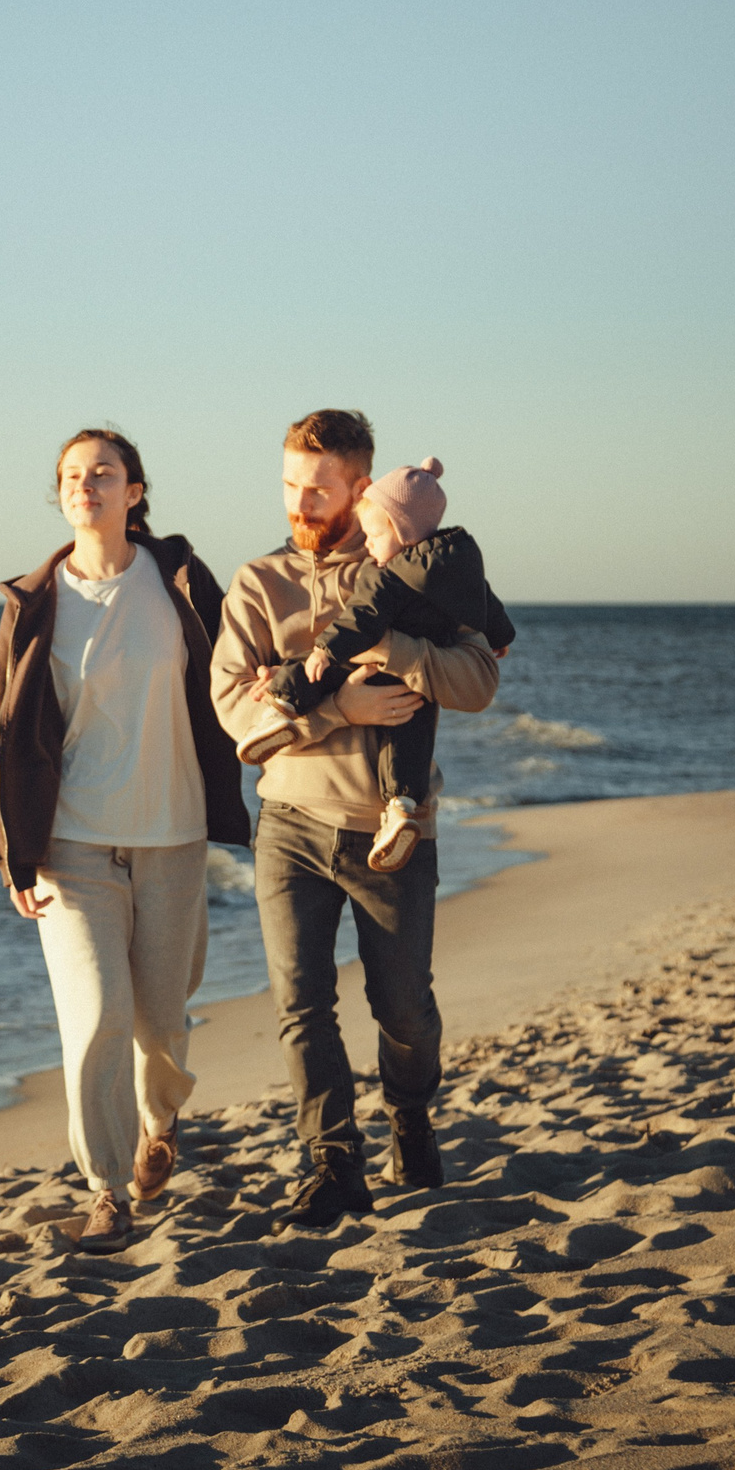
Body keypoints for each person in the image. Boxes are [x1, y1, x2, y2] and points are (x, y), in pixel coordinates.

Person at [210, 409, 503, 1231]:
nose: (299, 501)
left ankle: (410, 1114)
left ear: (360, 487)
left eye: (318, 487)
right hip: (291, 824)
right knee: (301, 1003)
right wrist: (337, 704)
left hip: (392, 831)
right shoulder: (257, 583)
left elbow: (478, 680)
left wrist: (396, 656)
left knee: (403, 1006)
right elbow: (239, 714)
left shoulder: (414, 569)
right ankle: (332, 1161)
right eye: (289, 485)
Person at [0, 428, 250, 1253]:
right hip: (74, 844)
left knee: (162, 1022)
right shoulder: (36, 602)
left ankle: (157, 1122)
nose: (85, 484)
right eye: (71, 475)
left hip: (172, 835)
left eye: (102, 472)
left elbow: (242, 668)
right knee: (96, 1015)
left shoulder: (179, 582)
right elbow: (1, 730)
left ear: (136, 490)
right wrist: (12, 853)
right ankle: (106, 1191)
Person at [236, 456, 516, 872]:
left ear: (401, 531)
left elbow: (359, 618)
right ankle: (402, 807)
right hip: (413, 686)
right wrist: (500, 636)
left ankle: (283, 706)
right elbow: (483, 599)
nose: (368, 544)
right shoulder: (460, 560)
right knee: (410, 741)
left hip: (367, 656)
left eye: (374, 534)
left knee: (309, 668)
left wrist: (325, 651)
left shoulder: (387, 574)